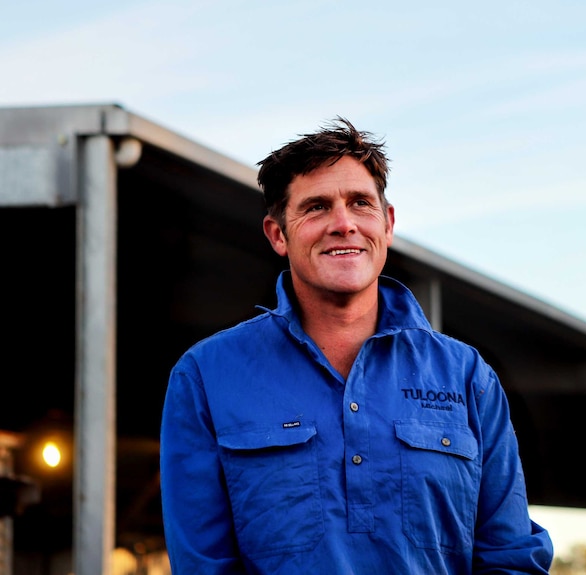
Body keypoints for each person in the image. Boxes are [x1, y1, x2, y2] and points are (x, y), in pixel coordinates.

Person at [159, 117, 554, 574]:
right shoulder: (207, 376)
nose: (343, 224)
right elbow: (202, 566)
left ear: (386, 223)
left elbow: (510, 558)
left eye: (360, 203)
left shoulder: (467, 377)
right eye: (316, 207)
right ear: (278, 235)